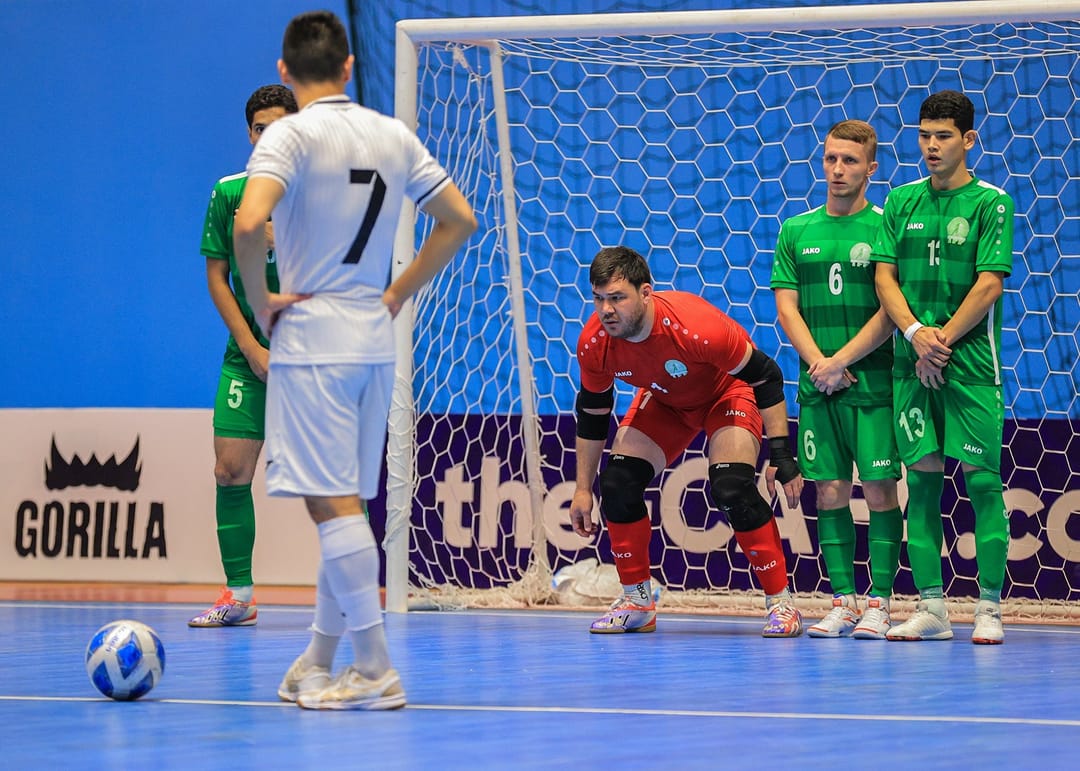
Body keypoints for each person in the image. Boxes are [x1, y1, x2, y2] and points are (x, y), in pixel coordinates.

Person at [233, 10, 478, 708]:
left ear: (285, 72)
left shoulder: (288, 133)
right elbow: (459, 218)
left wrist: (264, 301)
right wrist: (398, 290)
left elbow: (250, 225)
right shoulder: (391, 133)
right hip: (374, 331)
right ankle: (318, 658)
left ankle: (374, 668)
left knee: (331, 503)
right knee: (344, 502)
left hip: (312, 334)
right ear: (347, 68)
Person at [570, 246, 805, 637]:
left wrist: (781, 452)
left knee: (731, 486)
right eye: (598, 299)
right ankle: (638, 603)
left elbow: (767, 376)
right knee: (616, 483)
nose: (606, 310)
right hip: (666, 401)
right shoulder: (595, 343)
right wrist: (581, 489)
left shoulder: (695, 326)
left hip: (727, 394)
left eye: (617, 298)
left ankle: (781, 603)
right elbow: (593, 414)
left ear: (645, 293)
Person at [872, 90, 1014, 644]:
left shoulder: (991, 203)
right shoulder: (901, 201)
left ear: (968, 140)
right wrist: (914, 336)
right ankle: (932, 608)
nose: (931, 146)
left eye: (943, 136)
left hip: (970, 365)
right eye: (924, 135)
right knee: (922, 485)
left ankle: (989, 610)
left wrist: (942, 341)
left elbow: (990, 283)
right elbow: (884, 277)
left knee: (982, 482)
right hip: (912, 364)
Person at [770, 120, 903, 639]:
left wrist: (838, 361)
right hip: (817, 390)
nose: (837, 169)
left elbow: (892, 310)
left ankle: (882, 602)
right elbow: (787, 308)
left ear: (871, 168)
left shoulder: (884, 228)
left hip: (870, 387)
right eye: (830, 159)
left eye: (849, 161)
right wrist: (819, 365)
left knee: (879, 491)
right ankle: (843, 600)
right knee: (828, 491)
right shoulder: (795, 230)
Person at [190, 84, 299, 628]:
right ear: (250, 133)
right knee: (229, 470)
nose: (268, 136)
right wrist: (254, 348)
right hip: (248, 359)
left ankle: (347, 601)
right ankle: (239, 596)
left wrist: (289, 243)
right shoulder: (228, 193)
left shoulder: (320, 194)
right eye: (260, 128)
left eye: (280, 126)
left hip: (312, 360)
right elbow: (217, 277)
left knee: (331, 487)